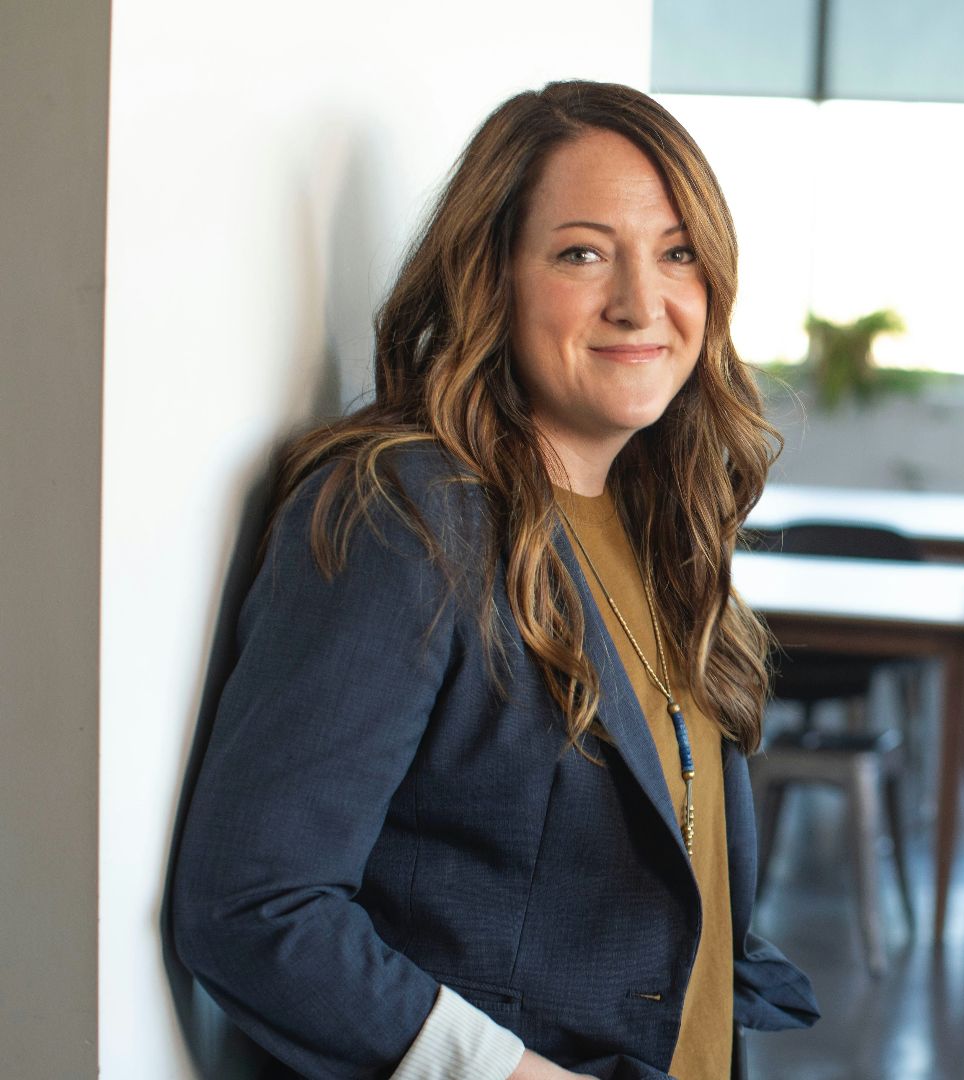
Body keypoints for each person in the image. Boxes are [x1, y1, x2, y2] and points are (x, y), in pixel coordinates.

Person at [171, 81, 817, 1080]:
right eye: (582, 252)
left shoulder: (662, 519)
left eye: (677, 250)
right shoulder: (409, 514)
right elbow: (254, 903)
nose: (641, 302)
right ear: (494, 276)